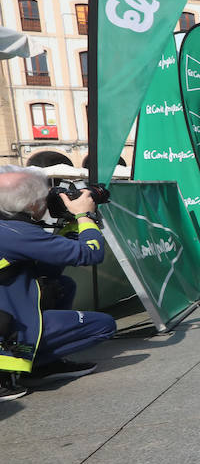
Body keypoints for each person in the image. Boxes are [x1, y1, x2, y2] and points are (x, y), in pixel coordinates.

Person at [0, 167, 117, 400]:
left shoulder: (9, 228)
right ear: (32, 204)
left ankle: (42, 363)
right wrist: (84, 216)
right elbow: (90, 254)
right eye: (45, 198)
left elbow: (46, 268)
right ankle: (13, 366)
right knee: (104, 325)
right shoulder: (17, 233)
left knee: (60, 284)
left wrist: (69, 228)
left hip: (7, 309)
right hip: (8, 324)